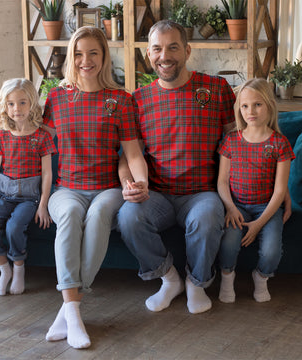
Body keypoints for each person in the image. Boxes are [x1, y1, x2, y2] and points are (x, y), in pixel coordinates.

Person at [117, 20, 236, 315]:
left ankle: (197, 283)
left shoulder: (217, 88)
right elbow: (127, 156)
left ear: (187, 50)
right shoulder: (138, 100)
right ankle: (170, 280)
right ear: (148, 53)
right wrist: (127, 184)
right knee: (128, 217)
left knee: (208, 219)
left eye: (173, 47)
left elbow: (237, 144)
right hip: (157, 194)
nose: (164, 56)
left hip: (202, 193)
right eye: (157, 48)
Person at [42, 26, 148, 349]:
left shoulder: (120, 100)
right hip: (66, 189)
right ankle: (73, 311)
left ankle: (68, 309)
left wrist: (141, 182)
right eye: (78, 53)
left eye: (93, 53)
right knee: (71, 213)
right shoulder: (56, 97)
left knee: (101, 212)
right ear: (71, 58)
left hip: (107, 189)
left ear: (104, 57)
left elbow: (132, 153)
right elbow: (40, 146)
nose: (85, 60)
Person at [0, 78, 56, 296]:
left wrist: (43, 206)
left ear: (32, 104)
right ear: (4, 106)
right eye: (10, 104)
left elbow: (48, 173)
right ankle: (4, 270)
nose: (16, 109)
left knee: (14, 227)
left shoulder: (42, 137)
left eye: (22, 103)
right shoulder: (1, 136)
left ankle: (19, 269)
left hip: (30, 198)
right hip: (4, 195)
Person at [217, 78, 295, 303]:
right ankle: (226, 276)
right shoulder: (231, 140)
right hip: (237, 206)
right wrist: (230, 208)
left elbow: (280, 190)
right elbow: (222, 181)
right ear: (239, 109)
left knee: (271, 252)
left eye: (257, 104)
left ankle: (261, 277)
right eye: (245, 106)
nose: (250, 111)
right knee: (229, 244)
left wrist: (260, 223)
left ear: (269, 105)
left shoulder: (280, 143)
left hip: (267, 208)